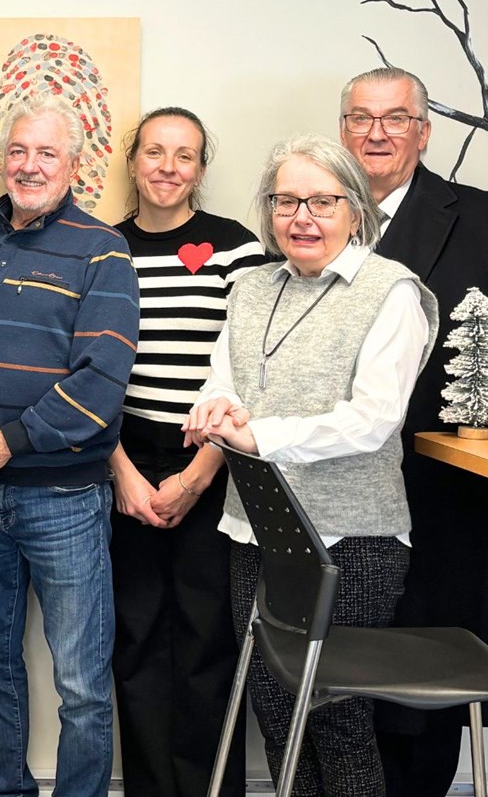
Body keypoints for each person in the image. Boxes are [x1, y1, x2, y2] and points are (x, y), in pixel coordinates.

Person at [336, 67, 488, 796]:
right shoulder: (309, 211)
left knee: (422, 701)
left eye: (395, 118)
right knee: (334, 693)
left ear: (423, 130)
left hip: (436, 498)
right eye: (360, 118)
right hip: (328, 497)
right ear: (342, 128)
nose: (377, 133)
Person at [184, 133, 439, 796]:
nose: (303, 217)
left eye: (322, 201)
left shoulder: (393, 292)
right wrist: (214, 410)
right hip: (256, 529)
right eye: (286, 200)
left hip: (352, 538)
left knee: (335, 716)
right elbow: (224, 379)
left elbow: (375, 419)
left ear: (355, 209)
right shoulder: (250, 287)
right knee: (273, 709)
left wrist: (255, 436)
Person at [0, 92, 140, 797]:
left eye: (46, 153)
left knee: (81, 679)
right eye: (18, 151)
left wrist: (5, 444)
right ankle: (5, 790)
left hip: (62, 497)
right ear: (1, 158)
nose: (29, 166)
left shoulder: (103, 251)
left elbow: (101, 382)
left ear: (74, 164)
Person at [109, 107, 264, 797]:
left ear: (202, 168)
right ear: (133, 161)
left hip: (216, 460)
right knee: (136, 642)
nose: (168, 167)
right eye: (155, 152)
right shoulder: (103, 248)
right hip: (125, 463)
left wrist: (200, 477)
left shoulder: (235, 248)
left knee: (208, 643)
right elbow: (88, 370)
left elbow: (254, 369)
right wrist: (125, 475)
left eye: (185, 155)